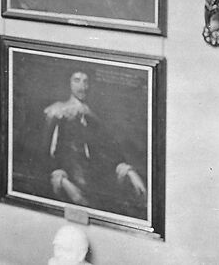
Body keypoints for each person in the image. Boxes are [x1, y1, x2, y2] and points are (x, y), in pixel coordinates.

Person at [43, 68, 146, 217]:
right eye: (76, 80)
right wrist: (63, 182)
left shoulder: (94, 116)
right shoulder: (57, 112)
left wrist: (129, 172)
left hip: (97, 184)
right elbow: (48, 154)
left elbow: (110, 152)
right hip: (71, 185)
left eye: (86, 81)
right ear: (68, 83)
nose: (82, 86)